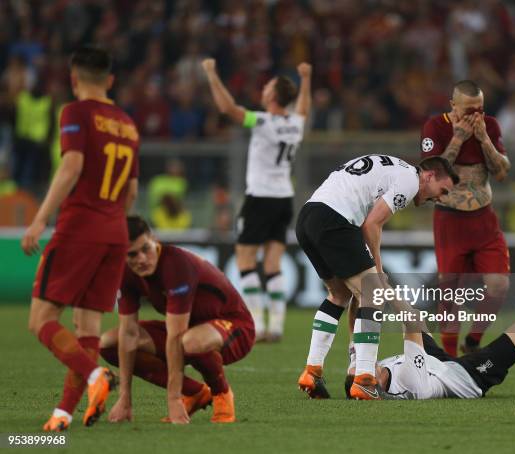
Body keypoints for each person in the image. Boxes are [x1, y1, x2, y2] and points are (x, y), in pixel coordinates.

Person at [21, 46, 140, 431]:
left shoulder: (74, 112)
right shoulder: (127, 124)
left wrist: (40, 220)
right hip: (115, 232)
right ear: (110, 81)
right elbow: (133, 191)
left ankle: (95, 377)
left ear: (74, 80)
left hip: (79, 227)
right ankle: (64, 414)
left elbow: (71, 165)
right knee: (87, 329)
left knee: (41, 320)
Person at [296, 155, 459, 400]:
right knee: (374, 293)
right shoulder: (410, 181)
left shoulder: (395, 169)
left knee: (339, 294)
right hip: (334, 218)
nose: (439, 198)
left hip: (308, 216)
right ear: (429, 176)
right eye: (442, 190)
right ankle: (364, 379)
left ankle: (312, 370)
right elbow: (372, 224)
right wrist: (378, 269)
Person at [100, 216, 255, 424]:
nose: (142, 259)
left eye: (146, 248)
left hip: (235, 327)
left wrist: (173, 399)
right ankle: (195, 392)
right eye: (132, 254)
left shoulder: (175, 264)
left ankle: (222, 394)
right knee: (109, 343)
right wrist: (124, 398)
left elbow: (176, 335)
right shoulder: (126, 272)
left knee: (189, 341)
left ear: (154, 239)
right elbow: (128, 332)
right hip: (188, 332)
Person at [202, 58, 312, 342]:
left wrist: (212, 74)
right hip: (284, 199)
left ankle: (258, 323)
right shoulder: (295, 125)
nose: (263, 89)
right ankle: (275, 325)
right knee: (273, 263)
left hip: (259, 198)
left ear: (273, 96)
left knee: (245, 261)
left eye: (267, 86)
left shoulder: (262, 121)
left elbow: (227, 109)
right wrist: (306, 80)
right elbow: (303, 109)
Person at [420, 80, 511, 356]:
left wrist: (484, 140)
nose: (475, 116)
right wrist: (458, 139)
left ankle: (472, 341)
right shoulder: (435, 127)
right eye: (468, 110)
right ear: (453, 106)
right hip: (450, 222)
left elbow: (502, 171)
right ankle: (448, 360)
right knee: (451, 293)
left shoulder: (490, 126)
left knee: (499, 285)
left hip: (484, 220)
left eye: (479, 110)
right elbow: (431, 173)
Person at [352, 314, 515, 400]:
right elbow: (409, 319)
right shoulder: (407, 382)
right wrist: (381, 287)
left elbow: (357, 331)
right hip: (467, 376)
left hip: (434, 363)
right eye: (366, 378)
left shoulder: (367, 373)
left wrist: (360, 294)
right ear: (376, 388)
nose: (363, 372)